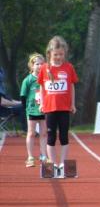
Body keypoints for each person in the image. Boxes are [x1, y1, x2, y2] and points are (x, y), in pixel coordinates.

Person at [37, 36, 78, 178]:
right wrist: (42, 103)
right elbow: (42, 87)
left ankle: (62, 164)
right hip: (50, 108)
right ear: (49, 54)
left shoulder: (69, 67)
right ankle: (53, 164)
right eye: (56, 54)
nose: (59, 57)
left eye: (61, 54)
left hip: (64, 108)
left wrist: (72, 103)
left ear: (65, 53)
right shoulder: (44, 68)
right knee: (51, 137)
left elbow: (71, 86)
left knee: (64, 136)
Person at [19, 53, 47, 166]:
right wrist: (26, 109)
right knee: (31, 133)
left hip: (44, 110)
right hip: (32, 110)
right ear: (31, 65)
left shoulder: (46, 78)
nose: (39, 66)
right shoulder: (28, 80)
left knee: (44, 133)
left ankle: (43, 155)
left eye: (41, 64)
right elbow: (23, 96)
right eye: (37, 64)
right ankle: (30, 157)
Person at [0, 65, 25, 134]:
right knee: (23, 107)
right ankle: (26, 130)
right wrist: (21, 104)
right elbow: (3, 102)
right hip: (2, 111)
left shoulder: (2, 88)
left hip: (6, 109)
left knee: (25, 105)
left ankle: (33, 129)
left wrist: (22, 102)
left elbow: (10, 100)